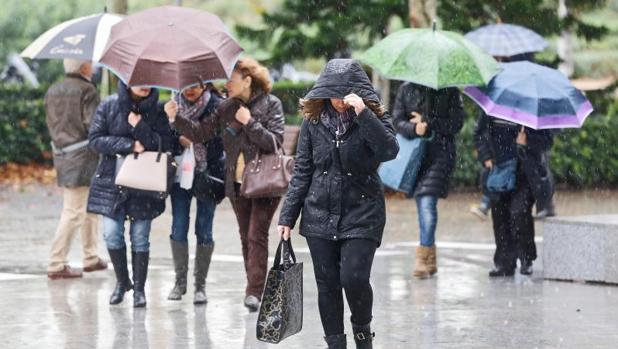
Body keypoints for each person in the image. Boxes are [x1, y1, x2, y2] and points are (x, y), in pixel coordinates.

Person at [278, 59, 399, 349]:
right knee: (328, 284)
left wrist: (363, 115)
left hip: (362, 212)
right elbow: (303, 171)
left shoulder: (373, 118)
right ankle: (335, 344)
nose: (340, 101)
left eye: (346, 95)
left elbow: (389, 150)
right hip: (319, 213)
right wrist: (287, 217)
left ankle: (362, 333)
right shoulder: (313, 121)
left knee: (353, 278)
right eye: (334, 94)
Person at [166, 57, 285, 312]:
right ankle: (254, 287)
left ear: (248, 80)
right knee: (246, 236)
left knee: (256, 234)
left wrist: (249, 122)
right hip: (238, 183)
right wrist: (176, 119)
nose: (226, 85)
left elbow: (275, 141)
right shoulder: (226, 107)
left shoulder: (271, 104)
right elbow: (200, 133)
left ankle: (254, 292)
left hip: (265, 182)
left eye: (231, 80)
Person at [87, 81, 172, 307]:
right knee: (112, 234)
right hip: (111, 182)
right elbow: (94, 140)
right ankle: (122, 282)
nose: (145, 86)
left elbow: (165, 144)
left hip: (144, 183)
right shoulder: (109, 106)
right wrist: (128, 144)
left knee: (140, 238)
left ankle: (139, 290)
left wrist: (140, 126)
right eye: (139, 81)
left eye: (149, 81)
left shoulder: (158, 110)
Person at [392, 82, 465, 279]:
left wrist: (428, 121)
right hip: (415, 157)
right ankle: (430, 257)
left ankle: (423, 258)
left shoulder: (450, 91)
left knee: (426, 202)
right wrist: (414, 128)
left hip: (440, 155)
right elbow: (397, 121)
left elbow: (457, 123)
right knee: (423, 203)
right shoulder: (406, 89)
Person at [45, 59, 107, 279]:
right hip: (83, 156)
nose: (93, 67)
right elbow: (93, 125)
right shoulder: (87, 90)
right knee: (73, 211)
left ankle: (90, 257)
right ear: (84, 68)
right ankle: (56, 262)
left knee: (88, 207)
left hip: (62, 153)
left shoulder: (54, 89)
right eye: (90, 64)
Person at [167, 82, 225, 304]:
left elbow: (221, 139)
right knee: (179, 226)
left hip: (208, 173)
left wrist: (199, 138)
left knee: (204, 228)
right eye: (185, 85)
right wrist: (177, 138)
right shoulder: (172, 105)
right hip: (181, 173)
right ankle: (179, 283)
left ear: (205, 84)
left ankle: (200, 285)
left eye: (195, 85)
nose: (190, 90)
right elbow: (162, 137)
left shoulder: (217, 105)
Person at [475, 113, 553, 276]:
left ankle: (526, 258)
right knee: (499, 216)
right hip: (499, 169)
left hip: (525, 172)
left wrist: (528, 141)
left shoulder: (533, 108)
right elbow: (480, 133)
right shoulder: (492, 106)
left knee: (519, 213)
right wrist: (486, 156)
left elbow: (547, 141)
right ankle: (504, 262)